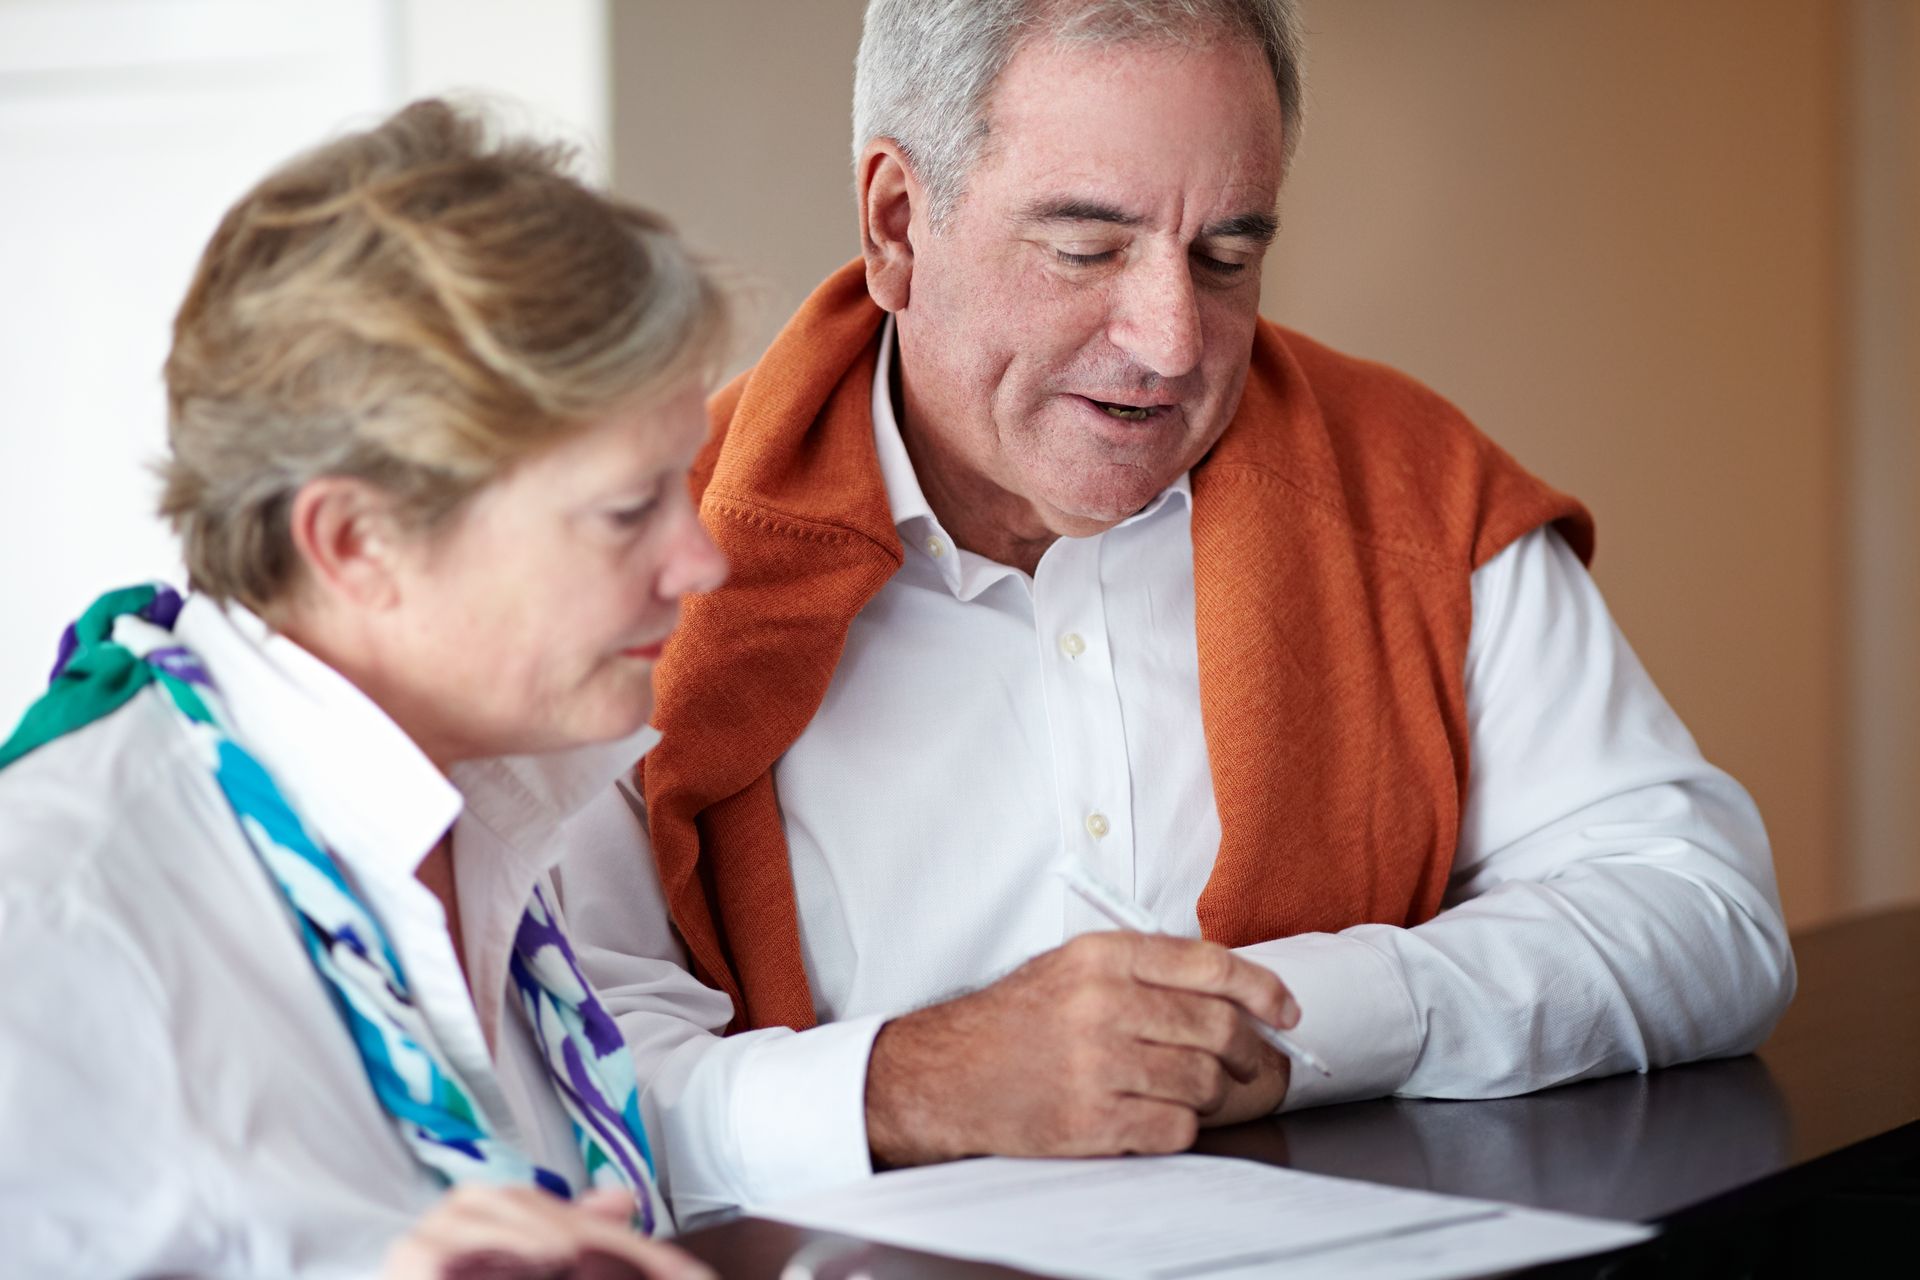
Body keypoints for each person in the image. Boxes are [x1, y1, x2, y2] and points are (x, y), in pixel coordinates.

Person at [553, 0, 1796, 1217]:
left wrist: (1280, 1020)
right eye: (1085, 246)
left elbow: (1705, 916)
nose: (1170, 340)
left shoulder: (1412, 488)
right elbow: (568, 1087)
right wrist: (911, 1083)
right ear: (896, 222)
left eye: (1227, 256)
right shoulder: (642, 564)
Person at [0, 100, 728, 1280]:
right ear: (355, 540)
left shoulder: (509, 797)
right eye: (626, 509)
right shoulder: (50, 915)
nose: (704, 561)